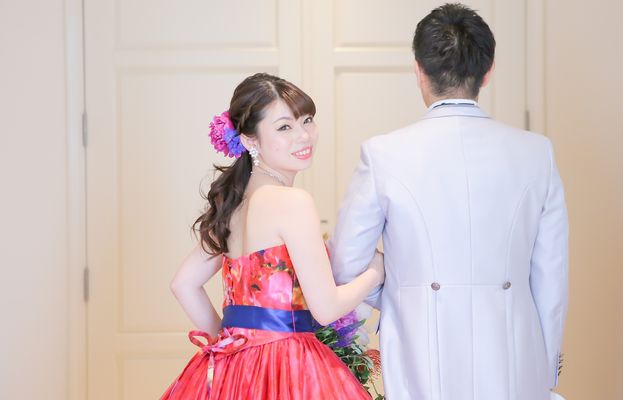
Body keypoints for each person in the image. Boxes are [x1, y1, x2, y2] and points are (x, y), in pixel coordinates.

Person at [330, 3, 569, 399]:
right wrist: (545, 370)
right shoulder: (535, 152)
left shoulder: (383, 153)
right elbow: (551, 274)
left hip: (418, 342)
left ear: (418, 70)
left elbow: (346, 263)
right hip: (513, 350)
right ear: (488, 71)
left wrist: (405, 292)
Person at [160, 73, 384, 400]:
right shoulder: (292, 201)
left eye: (307, 120)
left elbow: (183, 284)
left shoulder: (232, 205)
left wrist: (228, 343)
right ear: (250, 140)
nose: (303, 136)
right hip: (290, 364)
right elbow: (326, 309)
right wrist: (376, 271)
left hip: (233, 371)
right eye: (284, 127)